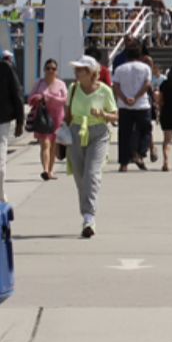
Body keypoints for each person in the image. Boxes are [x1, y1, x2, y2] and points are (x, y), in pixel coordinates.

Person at [64, 55, 119, 237]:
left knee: (92, 175)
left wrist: (103, 114)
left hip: (98, 132)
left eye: (80, 69)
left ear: (90, 72)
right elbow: (67, 115)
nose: (76, 72)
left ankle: (89, 217)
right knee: (80, 177)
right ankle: (86, 212)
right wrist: (60, 140)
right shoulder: (73, 88)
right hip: (76, 131)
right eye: (76, 69)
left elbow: (115, 115)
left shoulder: (104, 90)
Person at [112, 39, 153, 172]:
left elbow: (115, 86)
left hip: (124, 106)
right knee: (145, 131)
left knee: (124, 134)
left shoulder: (120, 69)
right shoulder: (145, 68)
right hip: (142, 104)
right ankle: (139, 153)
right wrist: (136, 97)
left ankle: (123, 163)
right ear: (139, 56)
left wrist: (125, 98)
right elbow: (147, 84)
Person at [28, 58, 68, 181]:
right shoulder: (39, 83)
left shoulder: (61, 84)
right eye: (48, 68)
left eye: (53, 68)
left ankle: (50, 171)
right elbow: (30, 99)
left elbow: (64, 100)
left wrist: (50, 97)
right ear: (44, 70)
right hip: (42, 116)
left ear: (57, 71)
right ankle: (45, 170)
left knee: (53, 145)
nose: (50, 71)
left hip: (57, 117)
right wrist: (37, 98)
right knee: (45, 144)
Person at [0, 55, 25, 203]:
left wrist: (20, 121)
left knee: (1, 158)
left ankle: (1, 193)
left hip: (2, 120)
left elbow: (17, 93)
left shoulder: (5, 68)